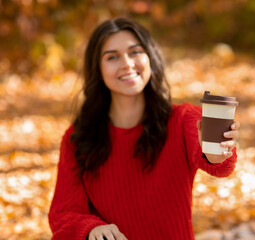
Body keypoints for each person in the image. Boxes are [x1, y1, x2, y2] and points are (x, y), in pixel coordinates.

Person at [48, 17, 240, 240]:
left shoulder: (183, 119)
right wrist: (92, 228)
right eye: (112, 57)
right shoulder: (78, 138)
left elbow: (218, 163)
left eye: (135, 52)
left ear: (151, 58)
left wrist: (217, 152)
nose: (127, 63)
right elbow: (64, 214)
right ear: (97, 69)